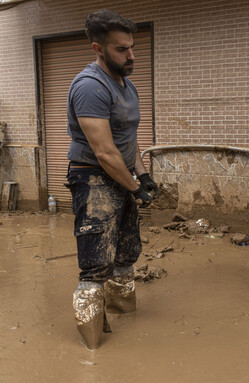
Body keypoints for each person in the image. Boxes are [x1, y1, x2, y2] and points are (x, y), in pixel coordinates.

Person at [66, 10, 159, 349]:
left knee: (126, 253)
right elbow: (105, 152)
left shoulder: (126, 84)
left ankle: (124, 315)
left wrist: (142, 174)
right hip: (92, 179)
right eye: (121, 49)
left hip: (121, 175)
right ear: (98, 48)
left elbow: (126, 139)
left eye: (132, 47)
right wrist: (134, 188)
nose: (131, 55)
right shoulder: (90, 87)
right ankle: (92, 352)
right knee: (96, 263)